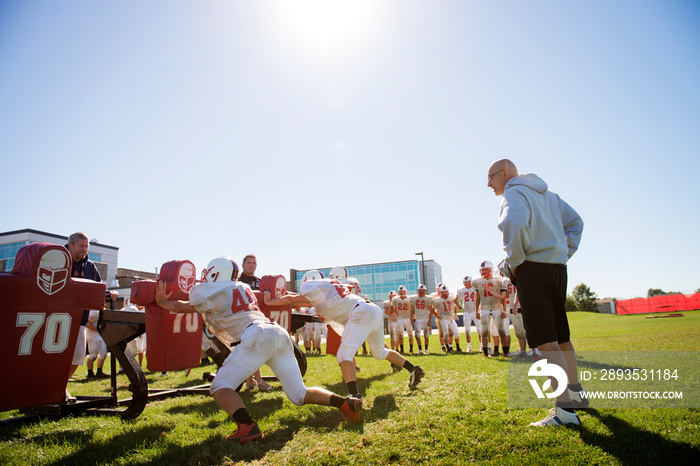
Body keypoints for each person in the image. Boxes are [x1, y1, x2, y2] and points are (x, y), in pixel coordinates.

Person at [155, 257, 362, 444]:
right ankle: (345, 403)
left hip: (255, 335)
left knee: (219, 386)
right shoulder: (242, 288)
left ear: (214, 273)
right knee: (299, 394)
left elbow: (182, 307)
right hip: (277, 333)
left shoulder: (210, 291)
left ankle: (247, 427)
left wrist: (161, 301)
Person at [487, 158, 586, 427]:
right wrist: (562, 252)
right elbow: (576, 223)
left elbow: (515, 224)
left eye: (491, 177)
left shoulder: (513, 192)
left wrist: (515, 263)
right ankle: (576, 394)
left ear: (505, 173)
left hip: (533, 269)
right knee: (561, 336)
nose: (489, 184)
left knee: (545, 341)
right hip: (557, 269)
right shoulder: (550, 196)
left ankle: (565, 411)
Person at [265, 271, 424, 400]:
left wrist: (270, 302)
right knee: (379, 352)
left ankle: (354, 396)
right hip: (371, 309)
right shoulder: (332, 287)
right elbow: (303, 301)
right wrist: (285, 294)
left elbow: (292, 299)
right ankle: (413, 369)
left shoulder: (315, 289)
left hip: (360, 313)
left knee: (343, 355)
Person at [65, 232, 118, 401]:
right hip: (58, 317)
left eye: (87, 246)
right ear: (70, 245)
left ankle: (61, 387)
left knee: (77, 357)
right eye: (81, 246)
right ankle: (50, 388)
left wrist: (109, 293)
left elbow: (98, 288)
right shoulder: (60, 261)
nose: (85, 249)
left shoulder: (90, 267)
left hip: (80, 319)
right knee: (56, 357)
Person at [237, 254, 272, 392]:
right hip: (244, 319)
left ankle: (250, 381)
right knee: (252, 348)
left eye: (254, 263)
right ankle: (259, 381)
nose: (251, 265)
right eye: (249, 263)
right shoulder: (238, 280)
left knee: (251, 349)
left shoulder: (260, 281)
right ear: (243, 265)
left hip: (259, 318)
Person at [473, 261, 508, 359]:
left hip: (496, 307)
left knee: (501, 331)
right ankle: (485, 353)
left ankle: (505, 352)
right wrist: (476, 310)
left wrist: (504, 309)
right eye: (482, 270)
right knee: (484, 331)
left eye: (486, 270)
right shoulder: (477, 281)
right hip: (484, 308)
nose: (484, 272)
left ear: (491, 269)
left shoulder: (499, 280)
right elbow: (477, 297)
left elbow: (503, 297)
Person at [433, 285, 462, 352]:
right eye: (443, 293)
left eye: (446, 293)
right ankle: (447, 348)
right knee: (445, 334)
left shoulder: (451, 297)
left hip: (451, 319)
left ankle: (458, 347)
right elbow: (432, 309)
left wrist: (455, 315)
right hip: (443, 319)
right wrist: (437, 316)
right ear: (440, 293)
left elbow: (456, 306)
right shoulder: (437, 300)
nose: (445, 295)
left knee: (457, 333)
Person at [456, 276, 479, 352]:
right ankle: (469, 346)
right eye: (465, 282)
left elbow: (480, 298)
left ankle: (482, 345)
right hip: (467, 312)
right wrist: (460, 307)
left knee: (480, 330)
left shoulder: (475, 288)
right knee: (467, 330)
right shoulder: (461, 290)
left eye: (469, 282)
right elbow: (455, 300)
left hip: (475, 311)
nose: (467, 284)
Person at [409, 284, 434, 354]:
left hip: (425, 318)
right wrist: (411, 319)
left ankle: (425, 350)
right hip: (418, 319)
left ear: (426, 291)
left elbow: (430, 310)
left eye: (423, 291)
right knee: (417, 335)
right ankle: (420, 350)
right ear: (417, 291)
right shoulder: (413, 298)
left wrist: (430, 320)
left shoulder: (428, 298)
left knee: (426, 335)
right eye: (420, 290)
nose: (421, 292)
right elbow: (411, 310)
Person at [390, 285, 415, 354]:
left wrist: (413, 315)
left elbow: (414, 308)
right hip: (400, 318)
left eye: (403, 292)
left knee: (410, 334)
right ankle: (402, 349)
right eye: (400, 292)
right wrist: (397, 312)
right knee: (400, 335)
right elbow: (392, 307)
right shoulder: (395, 299)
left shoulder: (409, 299)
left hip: (407, 318)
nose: (401, 293)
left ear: (406, 292)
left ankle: (411, 348)